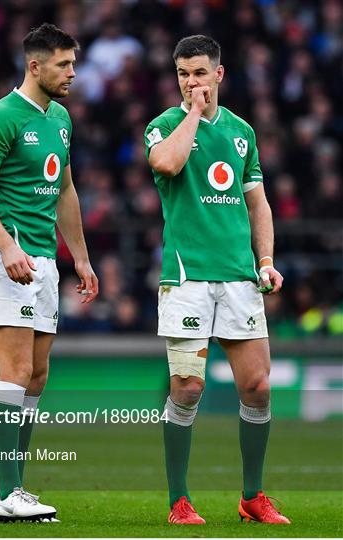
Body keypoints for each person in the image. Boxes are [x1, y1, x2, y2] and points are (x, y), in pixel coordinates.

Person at [144, 35, 290, 525]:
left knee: (259, 387)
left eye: (200, 73)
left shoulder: (243, 132)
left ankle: (252, 496)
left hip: (238, 279)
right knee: (186, 389)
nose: (192, 83)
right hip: (186, 278)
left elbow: (258, 204)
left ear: (219, 74)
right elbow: (167, 163)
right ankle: (178, 501)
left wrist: (265, 260)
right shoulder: (164, 126)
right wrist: (192, 113)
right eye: (184, 74)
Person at [0, 23, 98, 522]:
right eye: (64, 64)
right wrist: (5, 246)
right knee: (14, 372)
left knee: (37, 377)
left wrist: (79, 257)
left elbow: (63, 189)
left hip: (43, 261)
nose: (72, 72)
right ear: (35, 65)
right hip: (6, 260)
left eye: (74, 63)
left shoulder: (60, 118)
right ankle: (5, 491)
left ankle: (14, 489)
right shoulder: (1, 117)